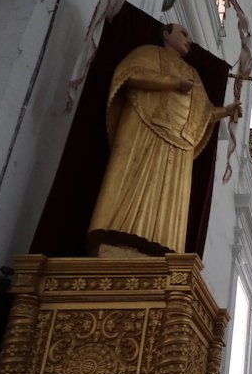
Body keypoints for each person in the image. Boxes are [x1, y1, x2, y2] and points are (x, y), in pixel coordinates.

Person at [88, 23, 242, 256]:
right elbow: (130, 73)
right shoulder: (149, 53)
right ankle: (115, 236)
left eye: (190, 36)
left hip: (178, 142)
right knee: (135, 180)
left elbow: (204, 112)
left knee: (168, 197)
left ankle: (158, 247)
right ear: (165, 34)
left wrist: (226, 111)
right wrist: (174, 83)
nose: (189, 40)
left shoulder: (193, 74)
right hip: (144, 128)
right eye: (183, 34)